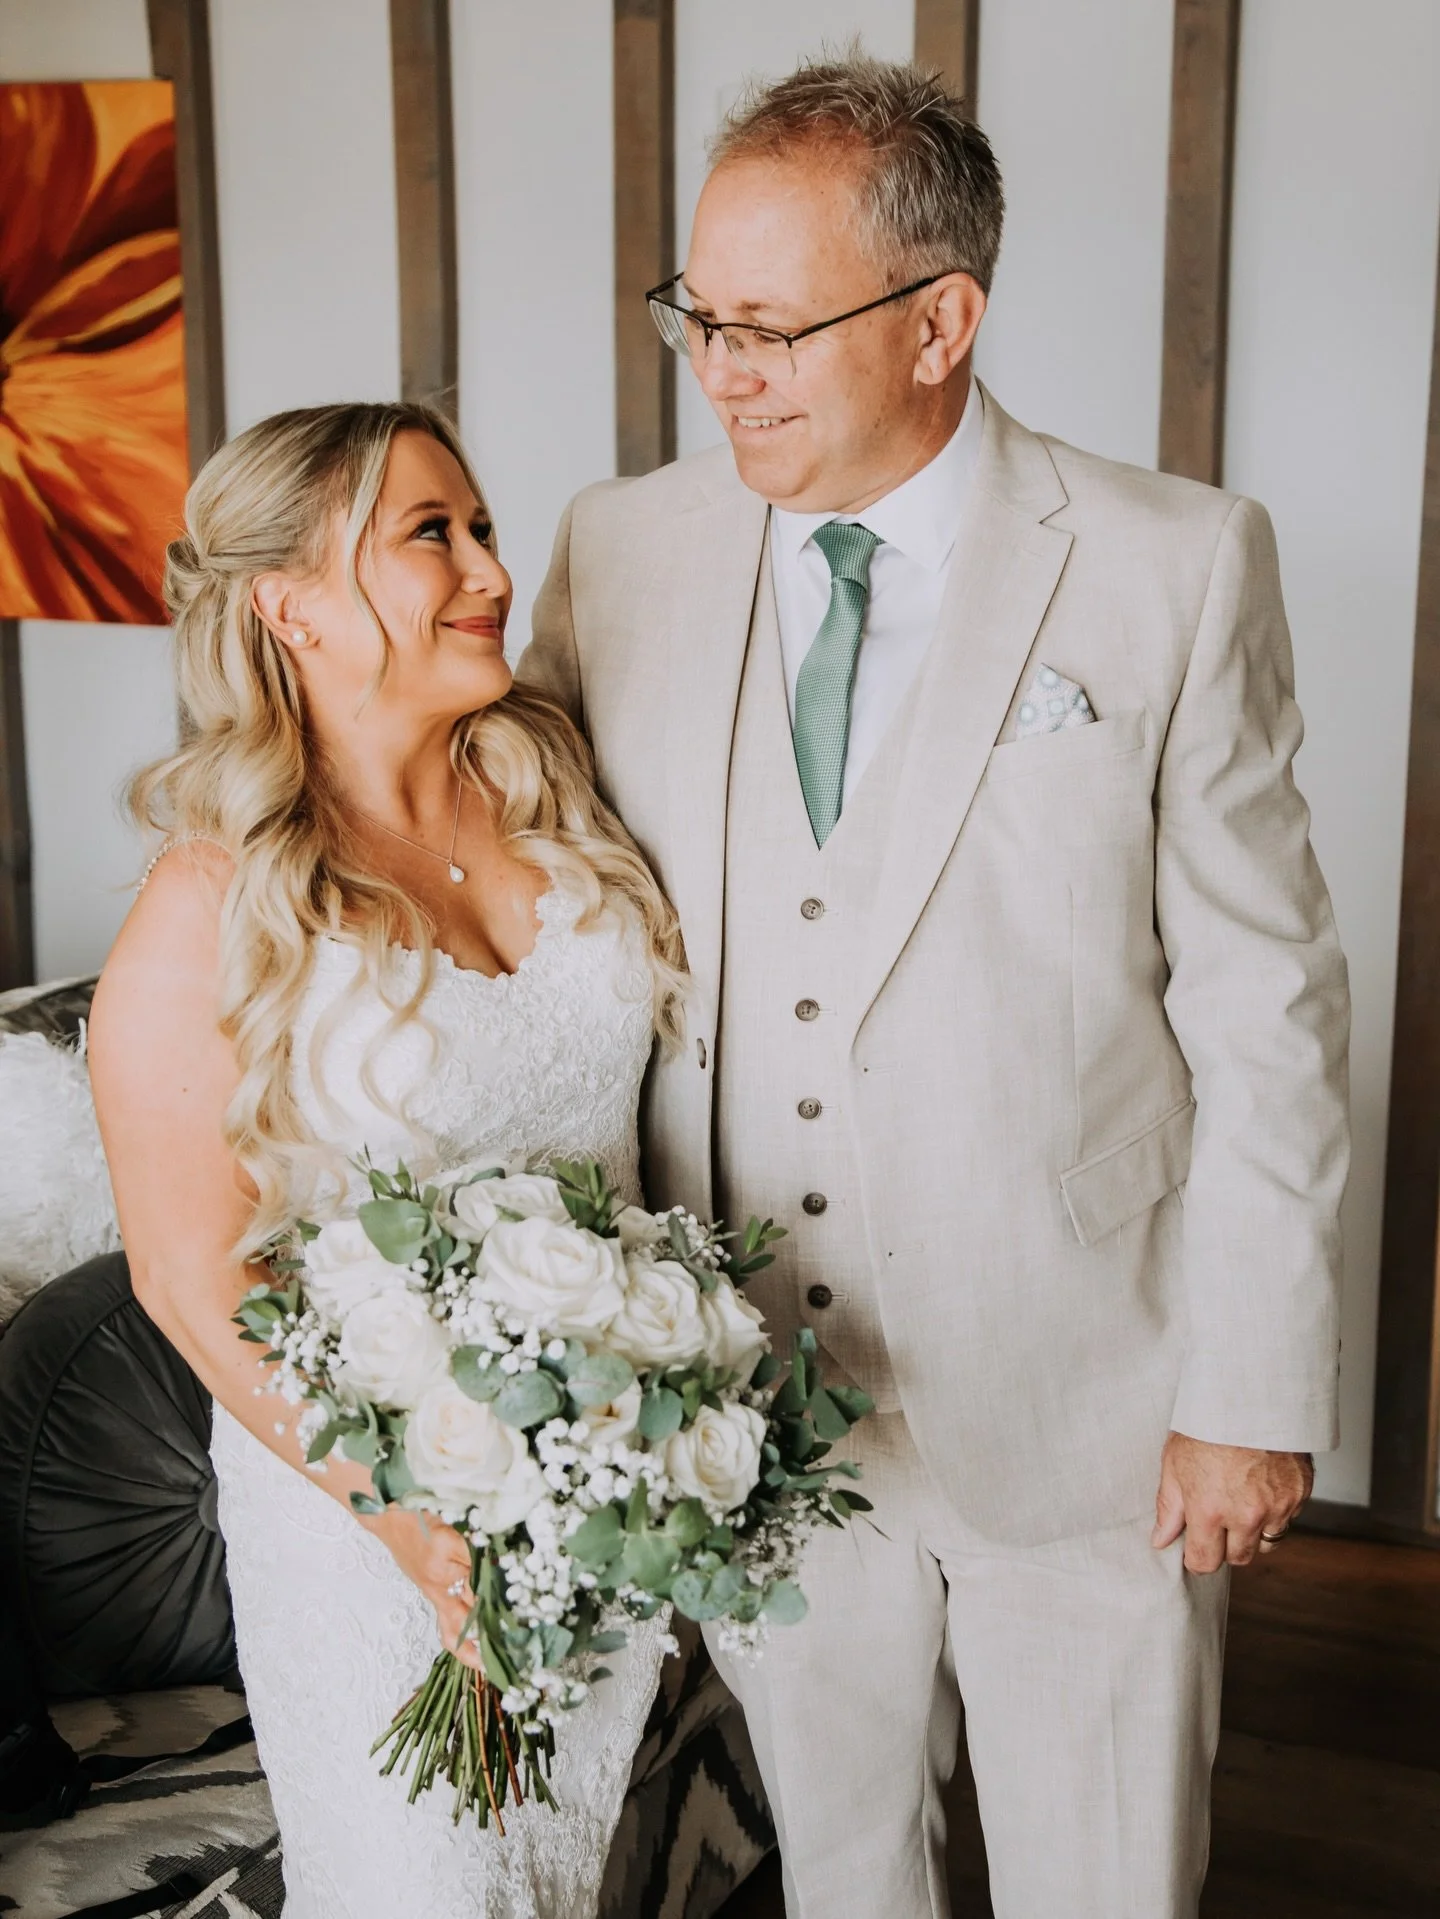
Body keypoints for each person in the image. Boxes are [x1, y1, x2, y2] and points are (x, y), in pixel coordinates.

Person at [521, 50, 1351, 1919]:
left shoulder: (1172, 566)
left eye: (770, 326)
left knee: (1104, 1886)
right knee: (836, 1879)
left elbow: (1266, 1008)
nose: (721, 367)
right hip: (752, 1400)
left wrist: (1252, 1384)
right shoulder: (621, 548)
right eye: (696, 316)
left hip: (1089, 1401)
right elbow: (530, 881)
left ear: (939, 320)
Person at [88, 401, 687, 1919]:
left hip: (594, 1481)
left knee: (556, 1886)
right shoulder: (209, 900)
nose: (490, 566)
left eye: (481, 524)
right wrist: (417, 1526)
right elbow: (186, 1275)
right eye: (432, 533)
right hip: (363, 1520)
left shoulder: (568, 806)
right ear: (285, 601)